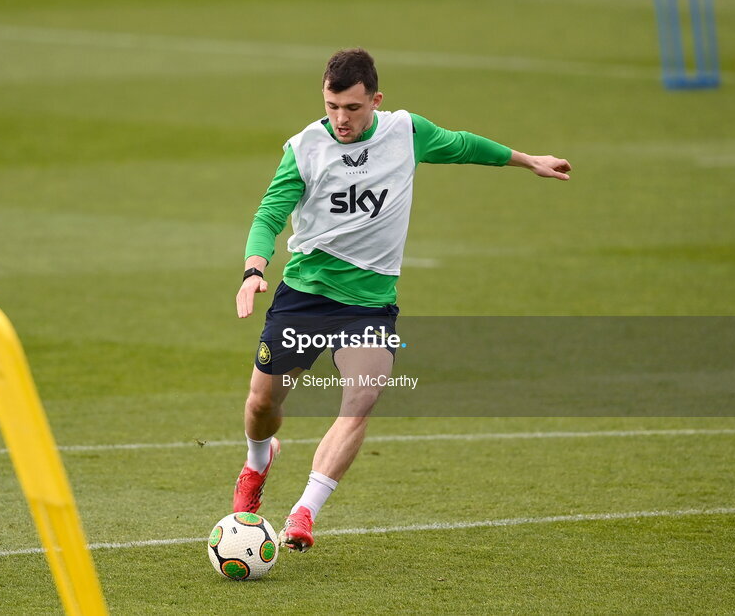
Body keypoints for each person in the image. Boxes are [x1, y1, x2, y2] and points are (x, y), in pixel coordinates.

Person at [232, 48, 571, 552]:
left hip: (370, 303)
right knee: (263, 403)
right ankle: (258, 461)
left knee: (361, 399)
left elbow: (462, 145)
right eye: (331, 107)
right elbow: (269, 214)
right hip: (305, 296)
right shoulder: (305, 147)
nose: (341, 119)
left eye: (352, 107)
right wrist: (253, 269)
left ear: (375, 100)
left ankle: (305, 510)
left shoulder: (405, 132)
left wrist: (529, 161)